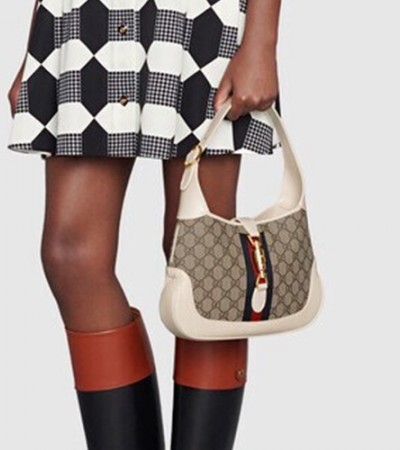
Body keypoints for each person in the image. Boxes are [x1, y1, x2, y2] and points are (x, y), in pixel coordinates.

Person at [7, 0, 282, 448]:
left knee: (200, 258)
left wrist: (261, 41)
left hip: (198, 13)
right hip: (85, 14)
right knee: (71, 256)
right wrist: (35, 42)